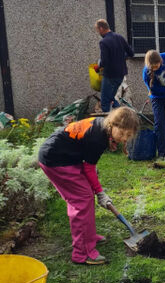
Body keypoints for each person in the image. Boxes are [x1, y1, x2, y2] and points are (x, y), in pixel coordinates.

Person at [38, 107, 140, 264]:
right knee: (82, 200)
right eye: (121, 133)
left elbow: (88, 162)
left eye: (128, 136)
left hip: (67, 156)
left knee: (84, 196)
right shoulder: (97, 138)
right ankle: (82, 252)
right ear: (113, 125)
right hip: (56, 160)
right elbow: (89, 168)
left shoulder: (103, 127)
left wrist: (97, 190)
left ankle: (89, 236)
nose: (123, 139)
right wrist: (100, 192)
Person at [95, 19, 134, 112]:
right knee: (111, 98)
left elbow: (104, 61)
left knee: (105, 101)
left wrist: (98, 65)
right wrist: (121, 58)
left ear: (101, 28)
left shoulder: (104, 42)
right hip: (120, 75)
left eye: (97, 30)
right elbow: (131, 53)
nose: (98, 32)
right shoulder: (119, 37)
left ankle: (108, 124)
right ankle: (122, 117)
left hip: (110, 76)